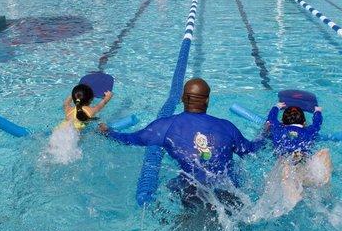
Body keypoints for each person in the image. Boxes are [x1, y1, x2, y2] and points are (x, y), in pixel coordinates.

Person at [98, 78, 266, 207]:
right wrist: (265, 134)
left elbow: (130, 139)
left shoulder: (164, 126)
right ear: (207, 100)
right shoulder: (227, 127)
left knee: (174, 187)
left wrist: (108, 132)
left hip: (192, 193)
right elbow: (251, 150)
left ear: (182, 98)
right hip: (229, 192)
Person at [263, 103, 331, 212]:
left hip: (285, 162)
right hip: (304, 162)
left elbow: (271, 119)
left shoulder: (277, 128)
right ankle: (325, 186)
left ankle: (293, 197)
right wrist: (317, 111)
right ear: (304, 123)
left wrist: (276, 107)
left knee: (286, 170)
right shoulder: (309, 131)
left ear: (282, 122)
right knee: (324, 153)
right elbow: (317, 123)